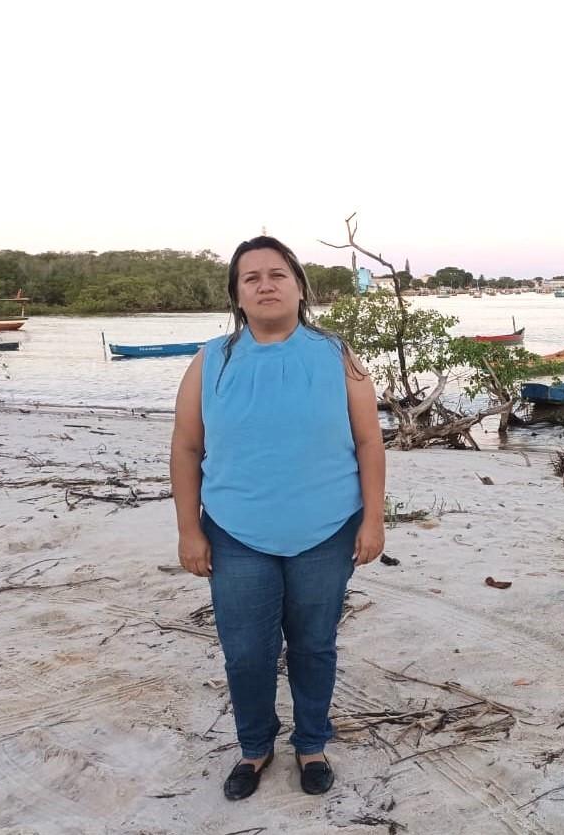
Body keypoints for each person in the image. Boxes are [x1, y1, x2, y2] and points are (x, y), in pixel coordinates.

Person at [169, 235, 386, 800]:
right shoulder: (209, 361)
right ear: (237, 295)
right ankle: (255, 747)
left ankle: (311, 743)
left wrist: (373, 520)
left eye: (277, 274)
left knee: (314, 645)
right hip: (236, 532)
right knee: (246, 650)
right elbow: (187, 447)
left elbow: (369, 442)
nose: (265, 284)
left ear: (298, 286)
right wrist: (189, 529)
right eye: (251, 278)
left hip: (326, 529)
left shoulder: (336, 354)